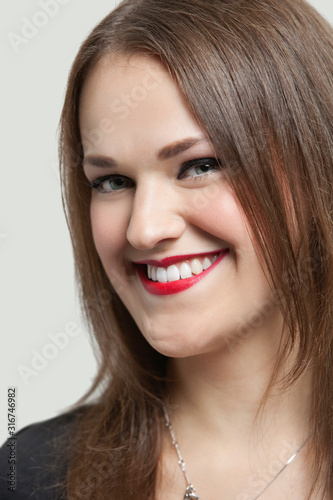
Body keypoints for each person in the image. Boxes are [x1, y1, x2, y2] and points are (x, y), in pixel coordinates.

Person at [1, 0, 332, 498]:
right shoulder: (27, 477)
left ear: (316, 167)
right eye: (112, 180)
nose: (143, 229)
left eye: (199, 166)